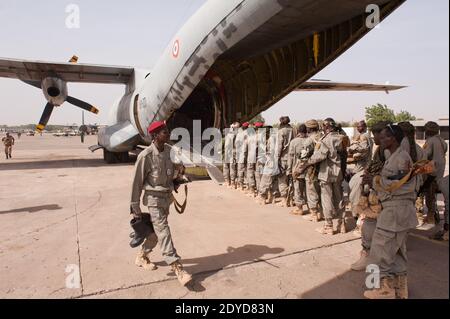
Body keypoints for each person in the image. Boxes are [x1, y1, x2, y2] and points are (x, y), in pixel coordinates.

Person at [130, 121, 193, 287]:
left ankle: (142, 256)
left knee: (157, 233)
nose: (168, 134)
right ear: (155, 135)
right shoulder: (146, 156)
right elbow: (136, 183)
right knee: (164, 231)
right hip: (153, 200)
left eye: (168, 131)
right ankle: (177, 267)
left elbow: (176, 172)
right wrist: (135, 208)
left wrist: (180, 175)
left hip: (166, 198)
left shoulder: (170, 152)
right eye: (165, 132)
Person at [363, 124, 418, 299]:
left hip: (395, 211)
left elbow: (401, 187)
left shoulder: (401, 158)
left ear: (392, 139)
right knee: (397, 253)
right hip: (399, 211)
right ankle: (400, 289)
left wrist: (374, 180)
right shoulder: (393, 156)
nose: (379, 138)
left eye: (384, 136)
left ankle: (379, 289)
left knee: (379, 253)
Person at [351, 121, 391, 271]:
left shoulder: (388, 152)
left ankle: (368, 256)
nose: (373, 138)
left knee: (369, 224)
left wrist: (371, 180)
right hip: (381, 194)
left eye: (375, 135)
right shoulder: (383, 150)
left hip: (380, 195)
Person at [298, 118, 345, 235]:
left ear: (327, 127)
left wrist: (307, 163)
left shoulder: (326, 140)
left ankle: (328, 225)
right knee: (339, 198)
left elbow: (320, 156)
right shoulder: (341, 138)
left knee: (326, 198)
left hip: (327, 173)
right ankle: (342, 224)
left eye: (324, 126)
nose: (322, 128)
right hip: (338, 172)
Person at [348, 120, 374, 234]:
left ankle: (360, 220)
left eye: (360, 126)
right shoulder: (362, 136)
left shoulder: (364, 137)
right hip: (361, 167)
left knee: (360, 194)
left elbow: (362, 151)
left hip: (363, 167)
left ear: (364, 127)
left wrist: (352, 152)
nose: (358, 128)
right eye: (357, 126)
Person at [421, 121, 448, 225]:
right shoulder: (443, 141)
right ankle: (433, 215)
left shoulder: (430, 141)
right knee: (433, 194)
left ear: (427, 131)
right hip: (440, 172)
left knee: (429, 194)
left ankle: (431, 216)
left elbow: (425, 155)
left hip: (431, 173)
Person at [287, 124, 313, 215]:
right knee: (309, 191)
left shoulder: (294, 142)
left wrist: (289, 169)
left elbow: (290, 156)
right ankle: (311, 209)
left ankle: (300, 208)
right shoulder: (311, 140)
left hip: (297, 168)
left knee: (298, 189)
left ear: (298, 131)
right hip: (309, 169)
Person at [302, 120, 323, 222]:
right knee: (321, 191)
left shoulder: (309, 140)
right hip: (323, 169)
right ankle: (321, 212)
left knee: (312, 190)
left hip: (312, 169)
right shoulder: (323, 137)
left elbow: (303, 156)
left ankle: (314, 214)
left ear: (309, 128)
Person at [276, 116, 294, 206]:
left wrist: (277, 158)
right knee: (291, 179)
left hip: (283, 157)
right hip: (293, 158)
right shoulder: (294, 130)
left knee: (282, 179)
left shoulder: (281, 131)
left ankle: (284, 199)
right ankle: (290, 199)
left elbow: (279, 146)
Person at [246, 123, 264, 197]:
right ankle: (260, 191)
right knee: (258, 174)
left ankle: (252, 190)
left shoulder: (252, 136)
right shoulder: (263, 136)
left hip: (251, 157)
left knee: (250, 172)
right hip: (260, 157)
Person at [223, 122, 240, 188]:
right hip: (229, 152)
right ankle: (228, 182)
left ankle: (232, 183)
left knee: (231, 167)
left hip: (231, 152)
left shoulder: (235, 134)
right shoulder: (233, 133)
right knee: (227, 167)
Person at [235, 122, 249, 191]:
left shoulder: (240, 134)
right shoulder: (250, 133)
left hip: (241, 153)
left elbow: (236, 144)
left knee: (240, 169)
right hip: (249, 154)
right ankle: (247, 185)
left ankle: (241, 185)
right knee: (247, 169)